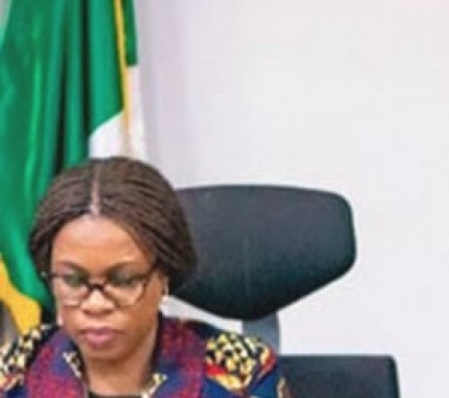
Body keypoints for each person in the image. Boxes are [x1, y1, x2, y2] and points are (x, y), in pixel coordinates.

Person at [0, 157, 286, 397]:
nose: (96, 305)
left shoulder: (239, 374)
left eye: (123, 280)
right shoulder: (15, 373)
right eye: (73, 281)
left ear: (164, 276)